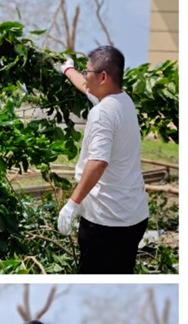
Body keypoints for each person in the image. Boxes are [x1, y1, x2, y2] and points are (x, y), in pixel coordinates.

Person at [55, 46, 149, 274]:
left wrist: (72, 204)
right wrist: (67, 69)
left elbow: (98, 161)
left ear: (103, 77)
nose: (85, 76)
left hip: (106, 222)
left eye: (87, 71)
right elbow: (85, 86)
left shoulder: (102, 113)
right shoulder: (122, 100)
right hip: (133, 216)